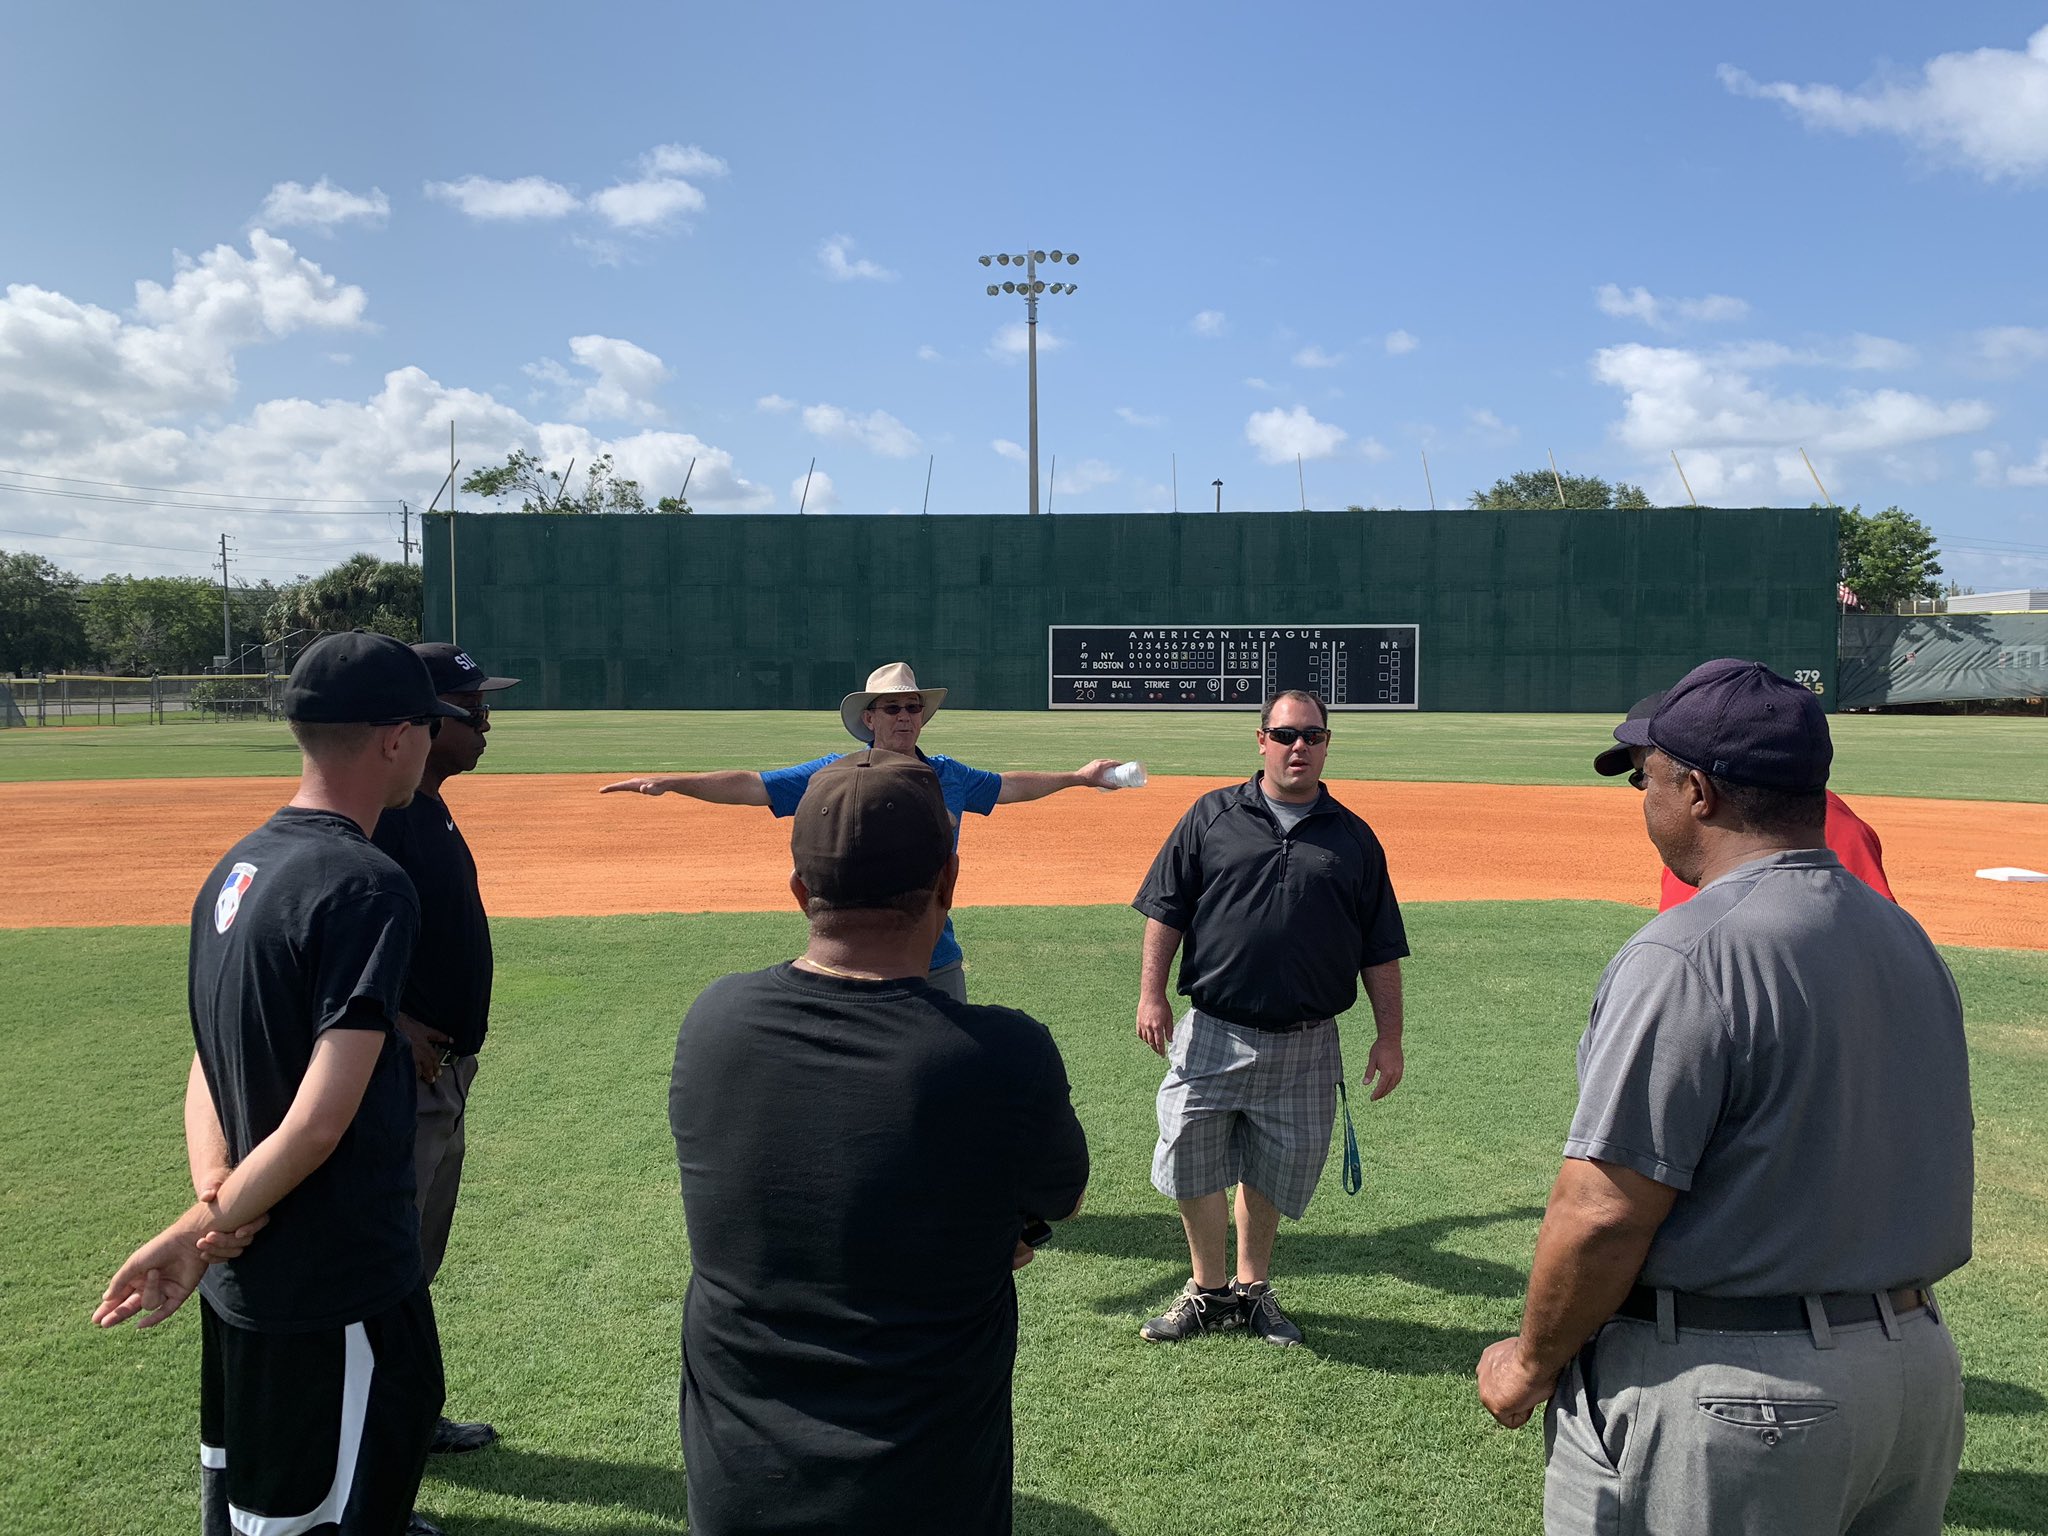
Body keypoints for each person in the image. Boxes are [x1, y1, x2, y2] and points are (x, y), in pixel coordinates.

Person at [1478, 658, 1973, 1536]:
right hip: (1914, 1382)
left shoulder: (1685, 953)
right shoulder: (1904, 937)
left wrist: (1529, 1360)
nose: (1644, 797)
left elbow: (1603, 1211)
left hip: (1742, 1399)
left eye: (1647, 777)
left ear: (1698, 790)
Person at [92, 630, 470, 1536]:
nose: (430, 742)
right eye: (428, 725)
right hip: (333, 1283)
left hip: (247, 1283)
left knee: (255, 1509)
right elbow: (318, 1124)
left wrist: (213, 1201)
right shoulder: (367, 883)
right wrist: (202, 1224)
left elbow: (205, 1059)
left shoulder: (242, 863)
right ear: (395, 737)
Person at [670, 749, 1090, 1535]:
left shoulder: (715, 1021)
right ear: (948, 883)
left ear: (800, 891)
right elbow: (1057, 1199)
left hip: (742, 1485)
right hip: (929, 1481)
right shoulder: (1003, 1050)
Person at [1131, 688, 1408, 1347]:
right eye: (1285, 735)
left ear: (1327, 744)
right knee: (1190, 1155)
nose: (1298, 747)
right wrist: (1152, 994)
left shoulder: (1352, 837)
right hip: (1213, 1028)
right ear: (1261, 740)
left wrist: (1390, 1036)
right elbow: (1165, 910)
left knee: (1273, 1166)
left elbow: (1380, 946)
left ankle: (1253, 1290)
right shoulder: (1211, 816)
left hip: (1307, 1039)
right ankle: (1207, 1289)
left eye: (1312, 736)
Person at [602, 660, 1128, 1001]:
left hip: (935, 957)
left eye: (913, 706)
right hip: (853, 960)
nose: (906, 715)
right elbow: (753, 785)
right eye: (893, 707)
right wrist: (673, 782)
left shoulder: (950, 774)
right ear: (870, 718)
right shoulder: (836, 773)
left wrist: (1079, 778)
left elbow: (1011, 786)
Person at [371, 643, 519, 1460]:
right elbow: (332, 942)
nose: (488, 721)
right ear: (430, 719)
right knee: (390, 1259)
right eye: (475, 707)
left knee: (413, 1256)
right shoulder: (391, 815)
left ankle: (402, 1416)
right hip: (406, 1077)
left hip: (443, 1071)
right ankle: (380, 1434)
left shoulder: (426, 806)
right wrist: (394, 1022)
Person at [1594, 689, 1896, 906]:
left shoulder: (1823, 825)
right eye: (1641, 778)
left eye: (1647, 774)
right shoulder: (1693, 842)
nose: (1648, 790)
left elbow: (1874, 942)